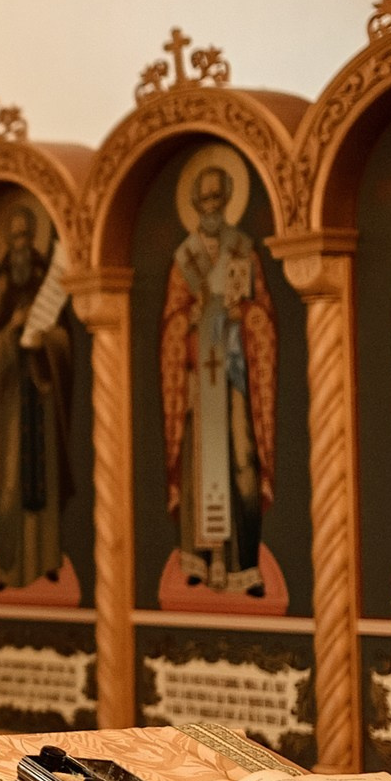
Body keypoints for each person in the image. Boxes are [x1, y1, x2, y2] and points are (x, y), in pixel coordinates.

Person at [160, 153, 277, 594]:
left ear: (228, 199)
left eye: (217, 197)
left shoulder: (244, 250)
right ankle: (200, 560)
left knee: (243, 462)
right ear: (194, 204)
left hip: (233, 372)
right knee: (199, 465)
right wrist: (186, 321)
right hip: (197, 377)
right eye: (203, 199)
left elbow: (263, 311)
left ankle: (243, 565)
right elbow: (170, 320)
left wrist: (243, 313)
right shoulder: (182, 259)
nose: (211, 206)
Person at [0, 201, 73, 590]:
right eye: (13, 237)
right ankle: (10, 565)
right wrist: (13, 331)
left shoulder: (44, 280)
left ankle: (48, 559)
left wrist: (45, 338)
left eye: (26, 236)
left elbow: (66, 344)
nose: (20, 244)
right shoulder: (1, 287)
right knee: (11, 487)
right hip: (10, 407)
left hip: (42, 397)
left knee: (44, 481)